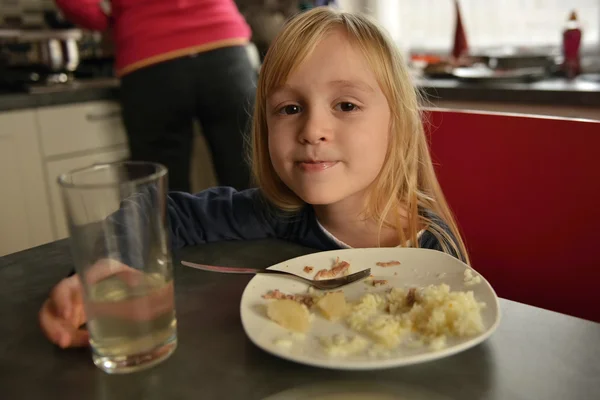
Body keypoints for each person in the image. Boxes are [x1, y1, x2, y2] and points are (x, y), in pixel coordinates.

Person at [39, 7, 469, 349]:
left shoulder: (431, 249)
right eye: (290, 108)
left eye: (347, 106)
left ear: (400, 125)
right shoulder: (278, 213)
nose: (312, 130)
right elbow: (157, 212)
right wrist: (108, 267)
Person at [54, 0, 257, 192]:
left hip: (149, 57)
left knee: (163, 195)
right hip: (225, 47)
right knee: (251, 179)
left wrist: (113, 21)